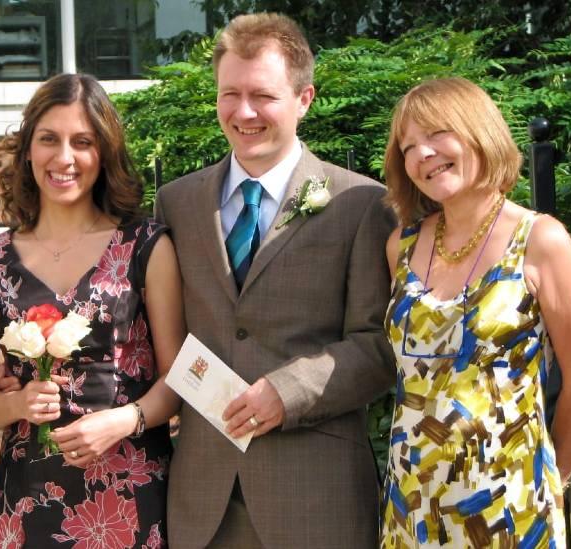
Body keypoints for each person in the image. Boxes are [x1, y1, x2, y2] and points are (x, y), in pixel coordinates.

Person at [154, 13, 397, 549]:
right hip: (204, 500)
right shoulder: (177, 203)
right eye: (230, 94)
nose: (243, 112)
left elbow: (379, 346)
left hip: (316, 493)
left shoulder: (359, 203)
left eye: (262, 95)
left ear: (304, 98)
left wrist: (286, 393)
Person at [380, 77, 571, 547]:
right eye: (409, 146)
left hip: (511, 510)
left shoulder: (540, 240)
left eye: (437, 134)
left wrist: (544, 479)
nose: (423, 153)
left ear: (478, 131)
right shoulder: (400, 246)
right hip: (411, 511)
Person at [0, 73, 185, 548]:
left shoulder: (145, 246)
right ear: (27, 150)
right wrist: (16, 404)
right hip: (28, 499)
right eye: (49, 140)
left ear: (103, 153)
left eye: (82, 142)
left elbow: (181, 378)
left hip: (131, 495)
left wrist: (126, 420)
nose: (64, 158)